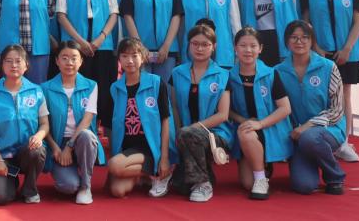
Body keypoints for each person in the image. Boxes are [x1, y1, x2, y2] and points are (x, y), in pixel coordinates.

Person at [300, 0, 359, 163]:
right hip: (319, 53)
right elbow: (305, 23)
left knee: (344, 95)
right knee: (321, 95)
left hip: (347, 53)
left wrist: (347, 49)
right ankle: (324, 140)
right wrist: (316, 47)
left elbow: (357, 23)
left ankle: (344, 142)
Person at [274, 20, 347, 195]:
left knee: (310, 137)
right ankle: (313, 158)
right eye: (294, 37)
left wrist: (307, 126)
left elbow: (337, 110)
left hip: (330, 129)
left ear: (312, 40)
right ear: (286, 41)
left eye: (305, 37)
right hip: (296, 135)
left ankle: (334, 176)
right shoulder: (277, 71)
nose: (299, 41)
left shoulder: (328, 67)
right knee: (304, 186)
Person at [55, 0, 118, 125]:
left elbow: (114, 14)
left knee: (104, 90)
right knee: (79, 90)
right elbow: (61, 15)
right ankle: (81, 129)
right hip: (75, 45)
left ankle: (103, 130)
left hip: (102, 44)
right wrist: (81, 42)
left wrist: (101, 38)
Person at [169, 21, 234, 202]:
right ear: (188, 45)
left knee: (189, 134)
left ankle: (203, 183)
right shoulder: (177, 73)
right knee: (180, 187)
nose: (199, 48)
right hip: (184, 133)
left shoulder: (223, 75)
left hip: (216, 134)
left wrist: (192, 128)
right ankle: (204, 175)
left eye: (205, 44)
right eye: (195, 44)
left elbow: (223, 115)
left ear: (214, 47)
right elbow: (174, 107)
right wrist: (178, 132)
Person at [229, 27, 293, 200]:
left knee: (247, 132)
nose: (248, 50)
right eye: (243, 45)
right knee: (246, 184)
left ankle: (261, 179)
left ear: (260, 49)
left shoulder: (271, 74)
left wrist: (260, 124)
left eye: (253, 46)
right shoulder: (228, 77)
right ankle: (261, 168)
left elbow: (285, 108)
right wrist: (244, 120)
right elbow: (226, 110)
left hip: (269, 127)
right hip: (246, 128)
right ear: (235, 48)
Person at [106, 38, 174, 198]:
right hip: (129, 149)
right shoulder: (115, 88)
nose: (129, 61)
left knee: (115, 164)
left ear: (143, 57)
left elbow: (166, 120)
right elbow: (111, 126)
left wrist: (164, 158)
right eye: (124, 56)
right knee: (117, 190)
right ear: (119, 59)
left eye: (134, 55)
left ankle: (161, 170)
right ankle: (148, 175)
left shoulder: (156, 83)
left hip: (152, 147)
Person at [0, 44, 48, 205]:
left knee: (37, 150)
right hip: (2, 155)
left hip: (27, 151)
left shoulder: (37, 91)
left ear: (26, 65)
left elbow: (44, 124)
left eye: (18, 61)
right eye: (8, 61)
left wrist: (39, 136)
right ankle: (12, 181)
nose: (14, 65)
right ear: (2, 65)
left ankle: (29, 189)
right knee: (1, 198)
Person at [41, 41, 105, 205]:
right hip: (58, 143)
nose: (69, 62)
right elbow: (43, 123)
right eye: (64, 58)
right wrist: (56, 148)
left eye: (74, 58)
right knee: (68, 187)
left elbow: (87, 120)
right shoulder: (45, 88)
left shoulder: (91, 86)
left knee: (86, 135)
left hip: (81, 141)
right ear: (57, 61)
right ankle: (73, 178)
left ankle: (86, 186)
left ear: (81, 61)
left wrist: (69, 147)